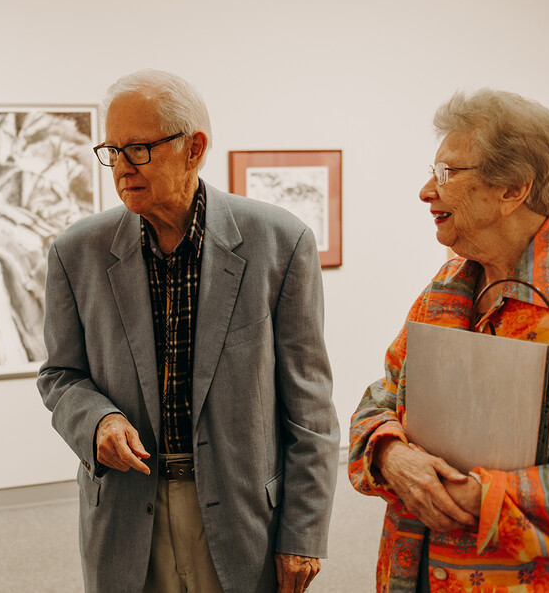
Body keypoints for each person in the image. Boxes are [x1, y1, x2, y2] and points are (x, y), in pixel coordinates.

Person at [37, 69, 340, 593]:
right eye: (112, 151)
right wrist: (96, 421)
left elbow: (310, 406)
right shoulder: (75, 252)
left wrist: (304, 532)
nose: (121, 168)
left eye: (138, 149)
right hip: (128, 514)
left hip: (242, 516)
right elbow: (60, 375)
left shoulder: (280, 243)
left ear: (194, 148)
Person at [348, 89, 549, 592]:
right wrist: (392, 457)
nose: (426, 190)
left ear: (512, 189)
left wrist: (489, 499)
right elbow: (376, 406)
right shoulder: (445, 288)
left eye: (447, 174)